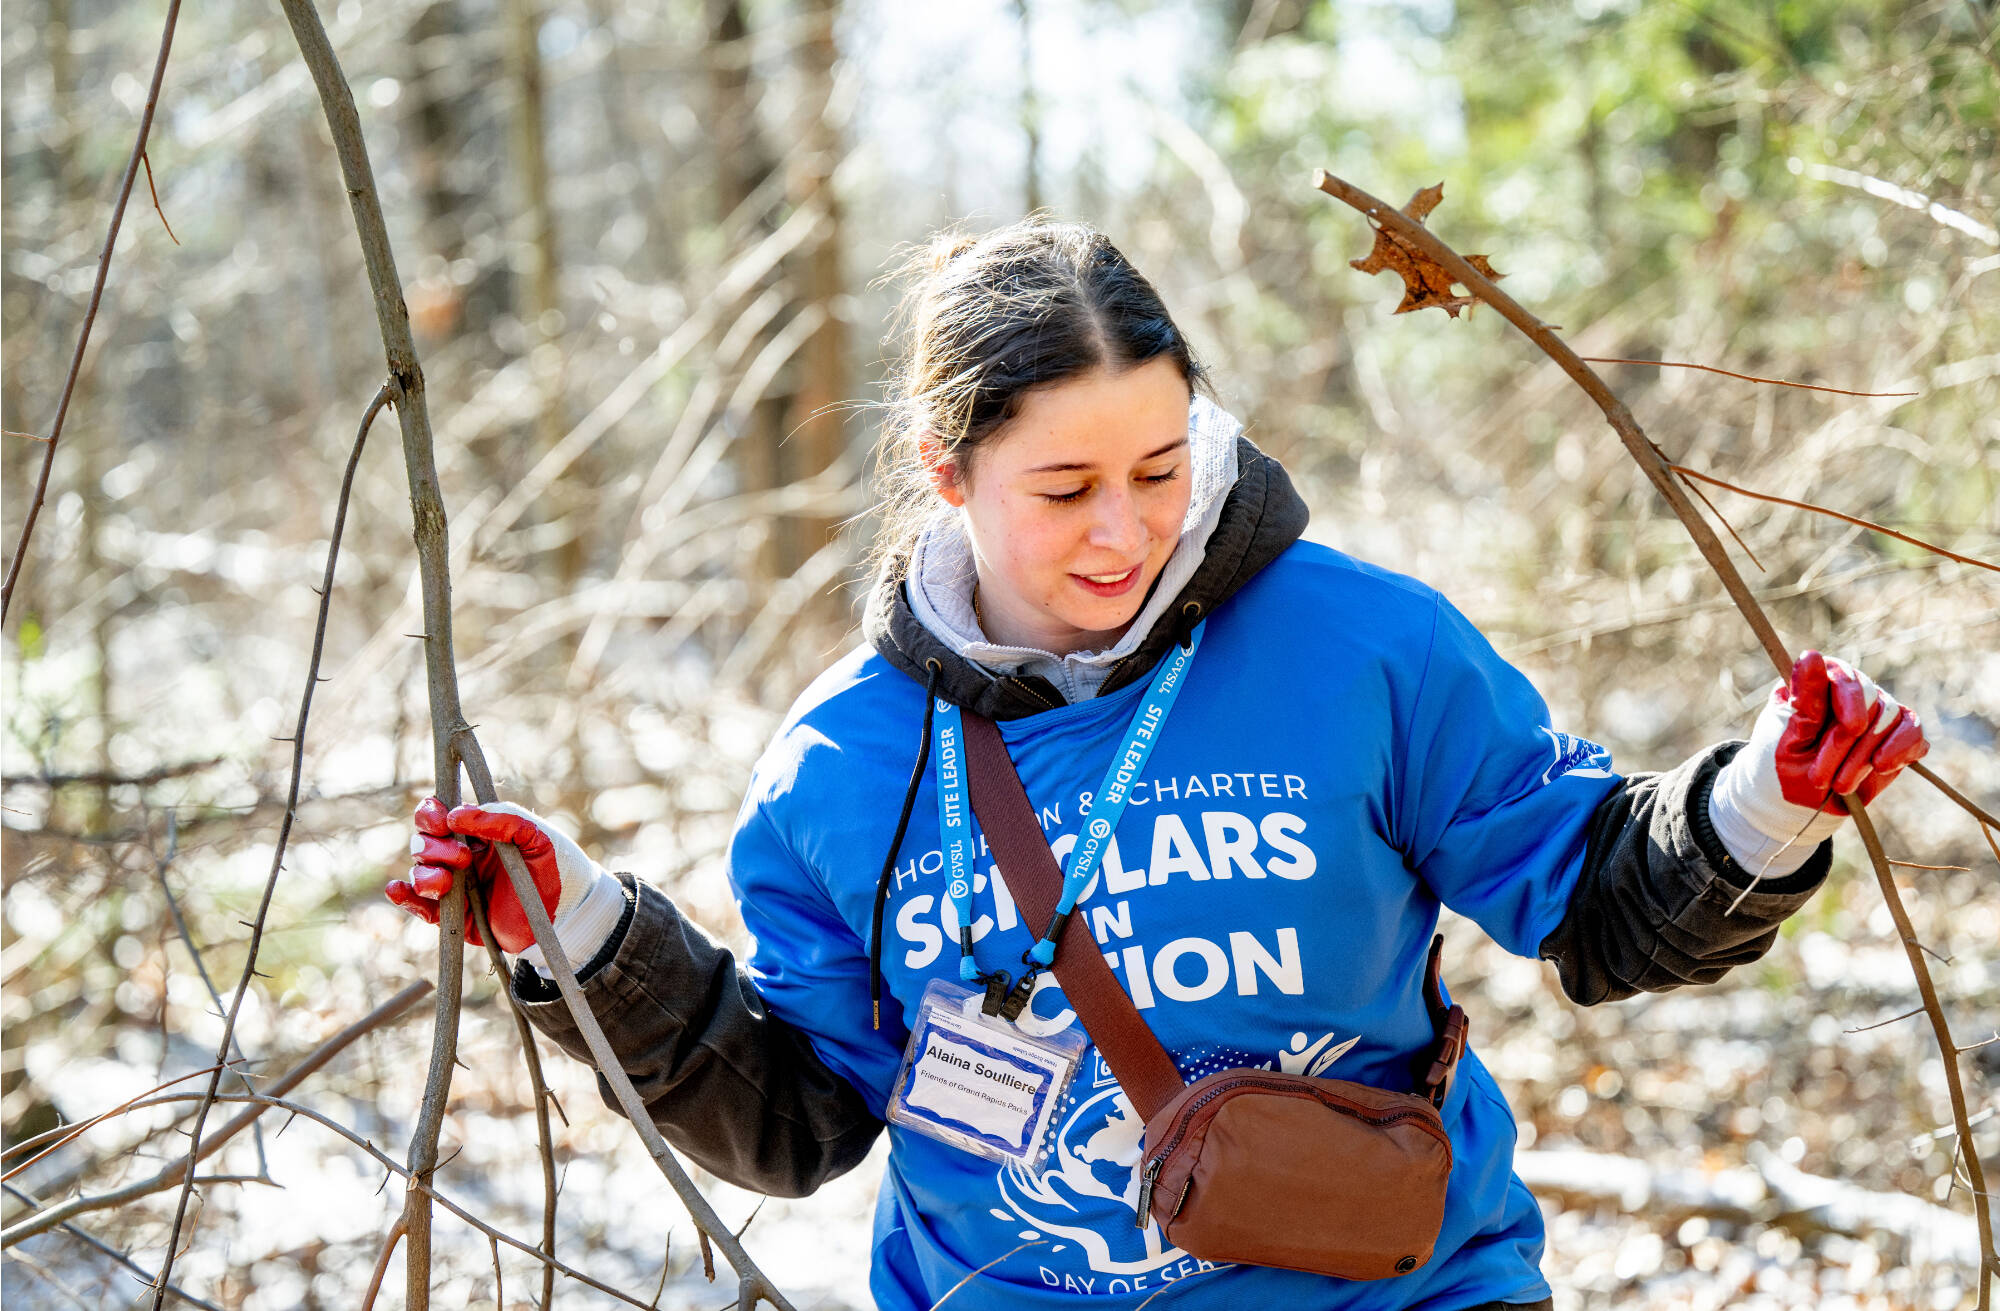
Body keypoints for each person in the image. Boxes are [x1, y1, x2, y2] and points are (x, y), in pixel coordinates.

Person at [386, 220, 1929, 1311]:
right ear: (946, 473)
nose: (1122, 531)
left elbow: (1597, 902)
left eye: (1159, 466)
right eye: (1063, 488)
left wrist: (1770, 797)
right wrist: (580, 932)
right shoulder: (842, 765)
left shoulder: (1362, 649)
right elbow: (799, 1119)